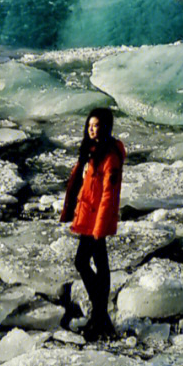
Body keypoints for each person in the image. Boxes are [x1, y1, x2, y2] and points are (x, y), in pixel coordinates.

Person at [60, 106, 125, 340]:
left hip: (96, 221)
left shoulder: (109, 157)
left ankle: (99, 317)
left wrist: (99, 227)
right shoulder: (91, 151)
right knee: (98, 264)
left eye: (96, 125)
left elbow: (109, 194)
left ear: (105, 127)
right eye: (89, 125)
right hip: (87, 216)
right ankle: (101, 319)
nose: (91, 129)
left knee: (82, 262)